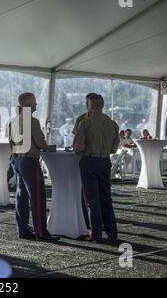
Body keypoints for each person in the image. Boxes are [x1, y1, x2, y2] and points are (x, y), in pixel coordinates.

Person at [8, 92, 59, 242]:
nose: (36, 104)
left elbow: (10, 143)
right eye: (35, 102)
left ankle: (22, 229)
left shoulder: (13, 121)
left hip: (18, 160)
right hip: (30, 161)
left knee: (21, 197)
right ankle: (41, 232)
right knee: (37, 197)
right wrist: (51, 148)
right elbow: (40, 143)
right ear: (28, 104)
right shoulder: (33, 121)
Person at [73, 94, 120, 244]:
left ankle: (96, 234)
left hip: (89, 162)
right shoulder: (112, 124)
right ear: (102, 105)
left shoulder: (84, 123)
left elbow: (78, 147)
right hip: (105, 162)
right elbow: (114, 148)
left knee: (92, 200)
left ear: (90, 106)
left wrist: (80, 148)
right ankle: (112, 232)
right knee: (106, 197)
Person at [72, 92, 98, 235]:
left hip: (88, 160)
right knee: (87, 194)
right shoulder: (81, 119)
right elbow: (76, 137)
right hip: (87, 159)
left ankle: (95, 226)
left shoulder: (86, 120)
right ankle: (88, 224)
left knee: (91, 195)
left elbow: (77, 141)